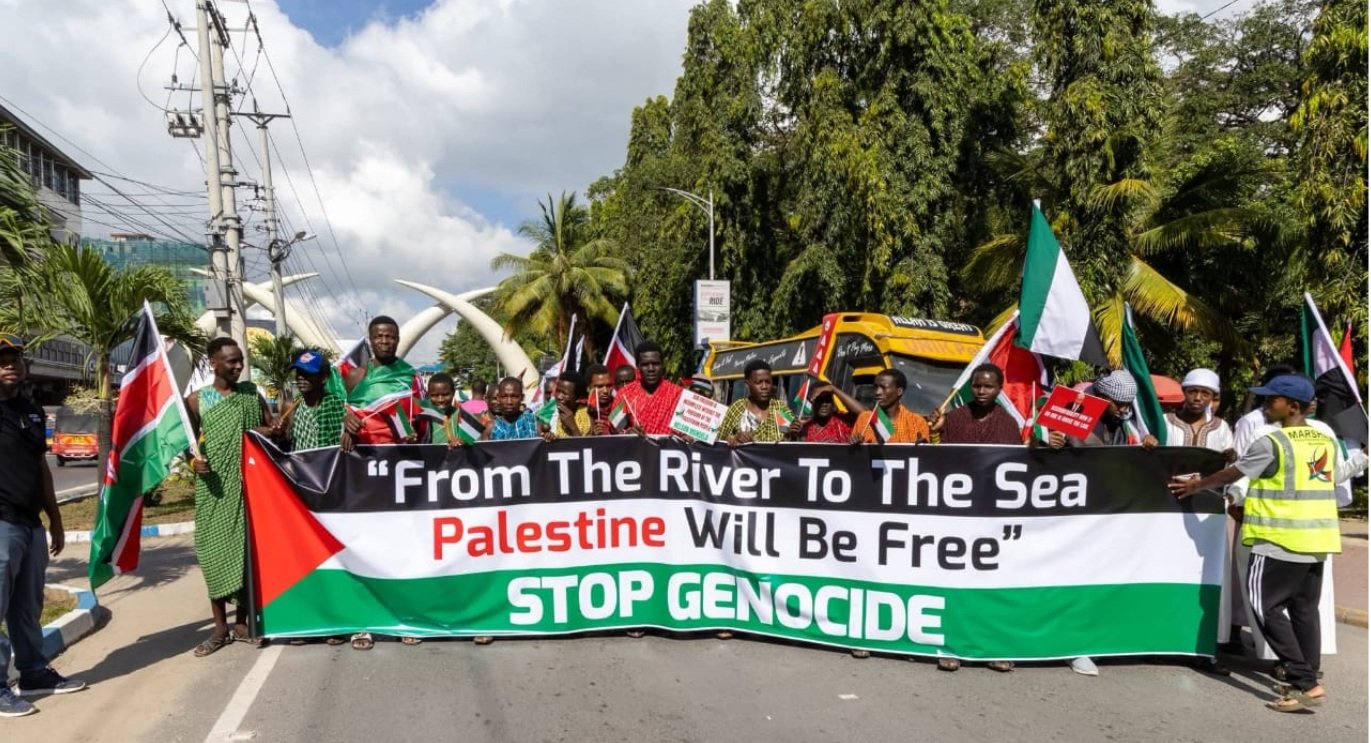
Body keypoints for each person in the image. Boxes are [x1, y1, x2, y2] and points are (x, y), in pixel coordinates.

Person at [1170, 374, 1360, 712]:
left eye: (1272, 399)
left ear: (1293, 407)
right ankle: (1310, 671)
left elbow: (1235, 473)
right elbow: (1337, 476)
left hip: (1276, 540)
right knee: (1304, 611)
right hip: (1316, 542)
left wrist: (1198, 485)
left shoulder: (1273, 442)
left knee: (1264, 607)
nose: (1265, 404)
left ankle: (1305, 681)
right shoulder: (1323, 441)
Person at [0, 335, 83, 717]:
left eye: (14, 357)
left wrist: (56, 518)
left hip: (31, 525)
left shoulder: (30, 408)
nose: (10, 364)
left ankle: (33, 673)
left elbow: (39, 468)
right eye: (1, 359)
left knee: (26, 608)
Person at [185, 337, 274, 657]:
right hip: (214, 491)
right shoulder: (196, 401)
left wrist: (266, 431)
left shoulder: (252, 394)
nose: (238, 366)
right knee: (214, 556)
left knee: (248, 556)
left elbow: (272, 429)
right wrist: (193, 462)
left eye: (240, 361)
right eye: (231, 361)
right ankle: (219, 628)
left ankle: (244, 622)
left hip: (251, 487)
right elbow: (187, 444)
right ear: (214, 363)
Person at [342, 316, 423, 448]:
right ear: (371, 340)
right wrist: (347, 424)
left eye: (390, 337)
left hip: (402, 454)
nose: (384, 341)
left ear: (397, 340)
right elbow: (348, 413)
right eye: (378, 336)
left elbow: (422, 421)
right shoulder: (355, 376)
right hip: (365, 455)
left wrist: (414, 433)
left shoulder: (411, 376)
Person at [1046, 370, 1159, 450]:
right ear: (1102, 397)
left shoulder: (1125, 421)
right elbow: (1049, 436)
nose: (1123, 409)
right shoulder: (1075, 404)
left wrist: (1147, 441)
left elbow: (1137, 439)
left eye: (1127, 404)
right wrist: (1048, 441)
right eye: (1119, 404)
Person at [928, 363, 1023, 447]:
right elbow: (939, 456)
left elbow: (1014, 458)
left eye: (988, 387)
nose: (981, 392)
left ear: (999, 389)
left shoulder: (1008, 424)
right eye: (977, 386)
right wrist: (934, 432)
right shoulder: (954, 418)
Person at [276, 350, 346, 452]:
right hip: (300, 466)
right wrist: (280, 433)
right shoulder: (291, 406)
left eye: (307, 373)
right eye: (299, 373)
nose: (300, 377)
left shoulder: (337, 406)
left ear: (323, 378)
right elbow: (285, 447)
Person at [718, 360, 794, 445]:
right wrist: (734, 438)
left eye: (768, 382)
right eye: (759, 382)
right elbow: (720, 441)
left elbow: (788, 438)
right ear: (747, 384)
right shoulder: (737, 408)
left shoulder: (779, 408)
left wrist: (794, 431)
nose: (764, 387)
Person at [615, 342, 683, 435]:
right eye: (645, 364)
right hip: (634, 448)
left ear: (662, 365)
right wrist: (627, 432)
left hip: (667, 448)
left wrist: (686, 436)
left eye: (655, 364)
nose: (651, 369)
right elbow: (615, 429)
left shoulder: (677, 394)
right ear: (638, 366)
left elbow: (690, 431)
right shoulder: (625, 394)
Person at [1164, 368, 1234, 456]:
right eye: (1192, 392)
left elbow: (1229, 460)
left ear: (1213, 397)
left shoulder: (1221, 428)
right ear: (1184, 391)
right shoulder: (1165, 421)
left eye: (1205, 394)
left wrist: (1231, 455)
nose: (1197, 398)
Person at [853, 369, 930, 444]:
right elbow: (853, 455)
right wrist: (856, 447)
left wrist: (921, 448)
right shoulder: (865, 419)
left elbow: (925, 454)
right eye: (876, 387)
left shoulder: (917, 422)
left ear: (899, 391)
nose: (877, 392)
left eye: (883, 387)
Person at [550, 371, 592, 438]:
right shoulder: (548, 414)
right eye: (557, 391)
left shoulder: (589, 416)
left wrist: (573, 427)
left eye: (564, 393)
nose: (559, 396)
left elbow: (585, 446)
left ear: (577, 397)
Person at [583, 364, 619, 435]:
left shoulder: (619, 407)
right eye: (599, 386)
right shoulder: (581, 410)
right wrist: (592, 435)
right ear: (589, 387)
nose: (605, 391)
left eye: (609, 385)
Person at [425, 373, 459, 445]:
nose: (440, 400)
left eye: (445, 394)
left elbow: (476, 447)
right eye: (434, 395)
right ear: (428, 395)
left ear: (453, 393)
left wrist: (463, 443)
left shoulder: (464, 418)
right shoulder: (423, 421)